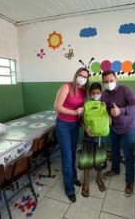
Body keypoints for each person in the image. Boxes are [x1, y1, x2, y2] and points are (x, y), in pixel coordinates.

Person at [101, 70, 135, 197]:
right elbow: (105, 109)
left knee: (128, 155)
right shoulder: (104, 94)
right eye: (106, 81)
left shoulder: (125, 90)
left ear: (116, 79)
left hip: (128, 128)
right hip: (114, 128)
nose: (109, 83)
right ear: (103, 82)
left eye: (111, 80)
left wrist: (121, 110)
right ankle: (115, 169)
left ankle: (129, 181)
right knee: (114, 151)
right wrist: (107, 115)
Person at [54, 67, 89, 203]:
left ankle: (73, 178)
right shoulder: (66, 87)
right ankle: (69, 189)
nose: (83, 78)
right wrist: (74, 113)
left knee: (73, 154)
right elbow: (57, 107)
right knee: (67, 157)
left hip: (75, 125)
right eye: (81, 75)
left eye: (85, 77)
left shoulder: (83, 91)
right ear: (76, 75)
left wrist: (84, 125)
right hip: (63, 125)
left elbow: (81, 112)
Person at [79, 82, 108, 197]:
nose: (96, 94)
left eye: (98, 92)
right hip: (88, 138)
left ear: (101, 93)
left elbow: (109, 121)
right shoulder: (86, 105)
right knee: (87, 160)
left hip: (101, 138)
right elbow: (80, 120)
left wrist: (106, 109)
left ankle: (99, 179)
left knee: (100, 159)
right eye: (93, 93)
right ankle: (86, 181)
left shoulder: (105, 104)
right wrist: (85, 128)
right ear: (90, 94)